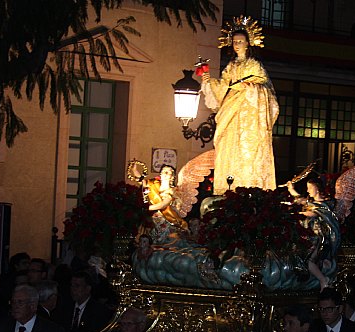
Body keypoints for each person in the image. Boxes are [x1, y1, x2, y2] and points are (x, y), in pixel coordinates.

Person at [201, 18, 279, 194]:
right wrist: (208, 82)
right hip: (230, 111)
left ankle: (251, 186)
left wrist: (252, 90)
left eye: (240, 41)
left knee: (249, 152)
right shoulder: (230, 66)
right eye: (235, 41)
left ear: (248, 43)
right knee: (229, 148)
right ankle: (228, 187)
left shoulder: (254, 65)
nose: (237, 44)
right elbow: (222, 88)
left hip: (249, 115)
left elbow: (266, 89)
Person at [287, 178, 341, 290]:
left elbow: (311, 212)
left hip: (319, 238)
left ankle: (323, 280)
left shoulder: (325, 204)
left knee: (309, 260)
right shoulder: (312, 203)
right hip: (309, 236)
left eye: (310, 188)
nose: (308, 191)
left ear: (317, 188)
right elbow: (304, 203)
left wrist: (297, 212)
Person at [140, 164, 188, 242]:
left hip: (169, 221)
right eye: (163, 172)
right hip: (153, 222)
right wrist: (134, 170)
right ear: (160, 174)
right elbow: (142, 182)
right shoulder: (153, 185)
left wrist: (145, 208)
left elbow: (163, 205)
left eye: (167, 172)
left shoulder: (173, 191)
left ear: (172, 176)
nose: (165, 174)